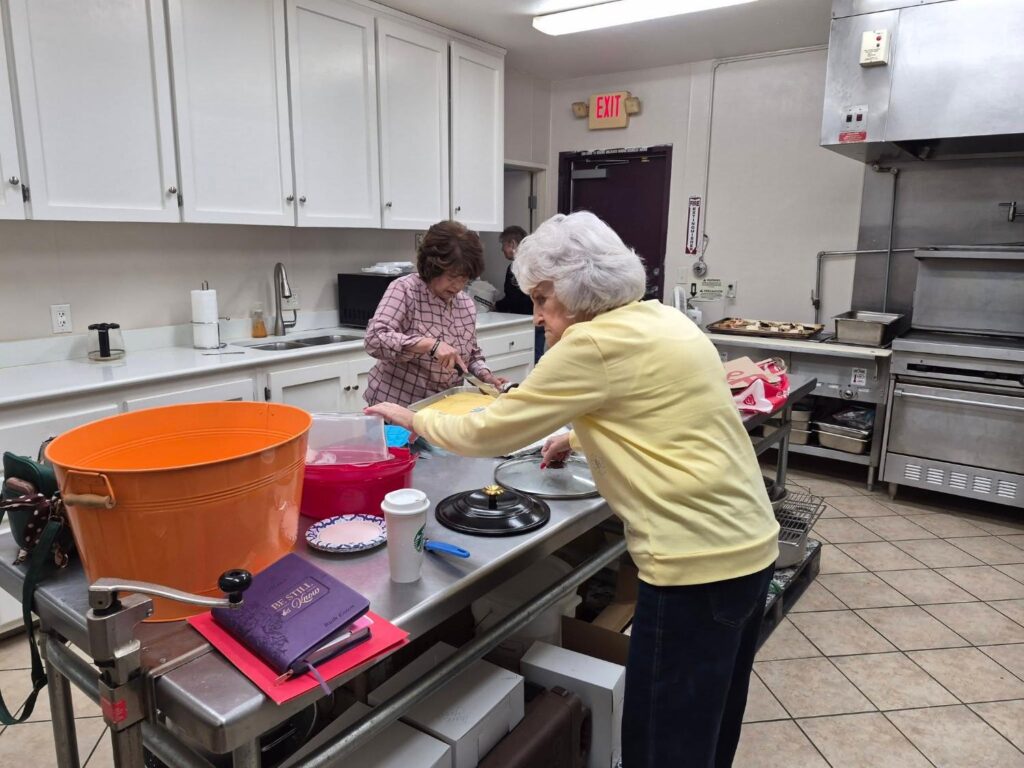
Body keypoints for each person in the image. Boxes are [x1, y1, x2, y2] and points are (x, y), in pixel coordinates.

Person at [368, 211, 779, 768]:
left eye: (541, 298)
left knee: (662, 747)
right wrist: (575, 437)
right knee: (707, 727)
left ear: (575, 288)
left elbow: (488, 430)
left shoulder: (591, 345)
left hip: (693, 565)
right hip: (748, 549)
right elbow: (658, 416)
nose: (537, 317)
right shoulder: (664, 320)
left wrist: (411, 420)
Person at [363, 220, 507, 407]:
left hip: (442, 408)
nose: (457, 286)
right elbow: (374, 339)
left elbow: (470, 355)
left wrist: (486, 377)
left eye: (464, 279)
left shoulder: (465, 304)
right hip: (397, 407)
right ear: (432, 267)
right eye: (452, 277)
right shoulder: (406, 290)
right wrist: (428, 344)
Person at [495, 224, 545, 362]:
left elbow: (514, 298)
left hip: (525, 320)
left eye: (503, 244)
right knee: (536, 355)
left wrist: (497, 306)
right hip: (540, 316)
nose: (501, 249)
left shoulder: (515, 268)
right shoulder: (537, 262)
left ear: (512, 244)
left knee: (527, 357)